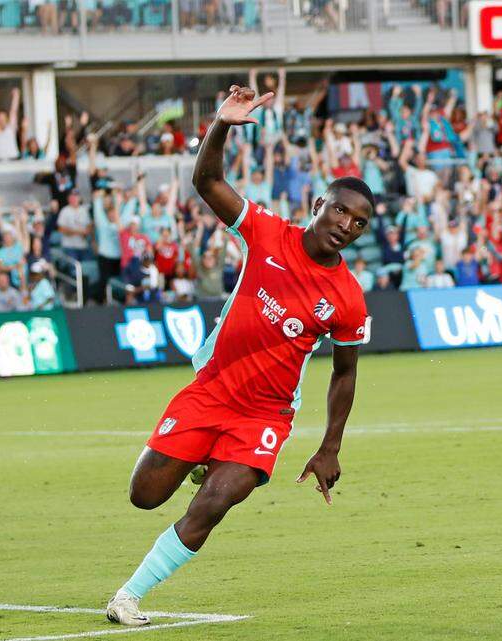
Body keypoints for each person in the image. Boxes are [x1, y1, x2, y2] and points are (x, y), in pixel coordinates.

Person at [105, 86, 372, 626]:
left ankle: (128, 597)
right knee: (144, 496)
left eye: (359, 222)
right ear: (319, 205)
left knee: (216, 502)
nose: (346, 225)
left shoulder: (348, 298)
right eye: (341, 210)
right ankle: (197, 459)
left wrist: (330, 447)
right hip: (210, 391)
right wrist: (221, 125)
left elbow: (345, 375)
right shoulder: (266, 233)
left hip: (265, 417)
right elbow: (206, 182)